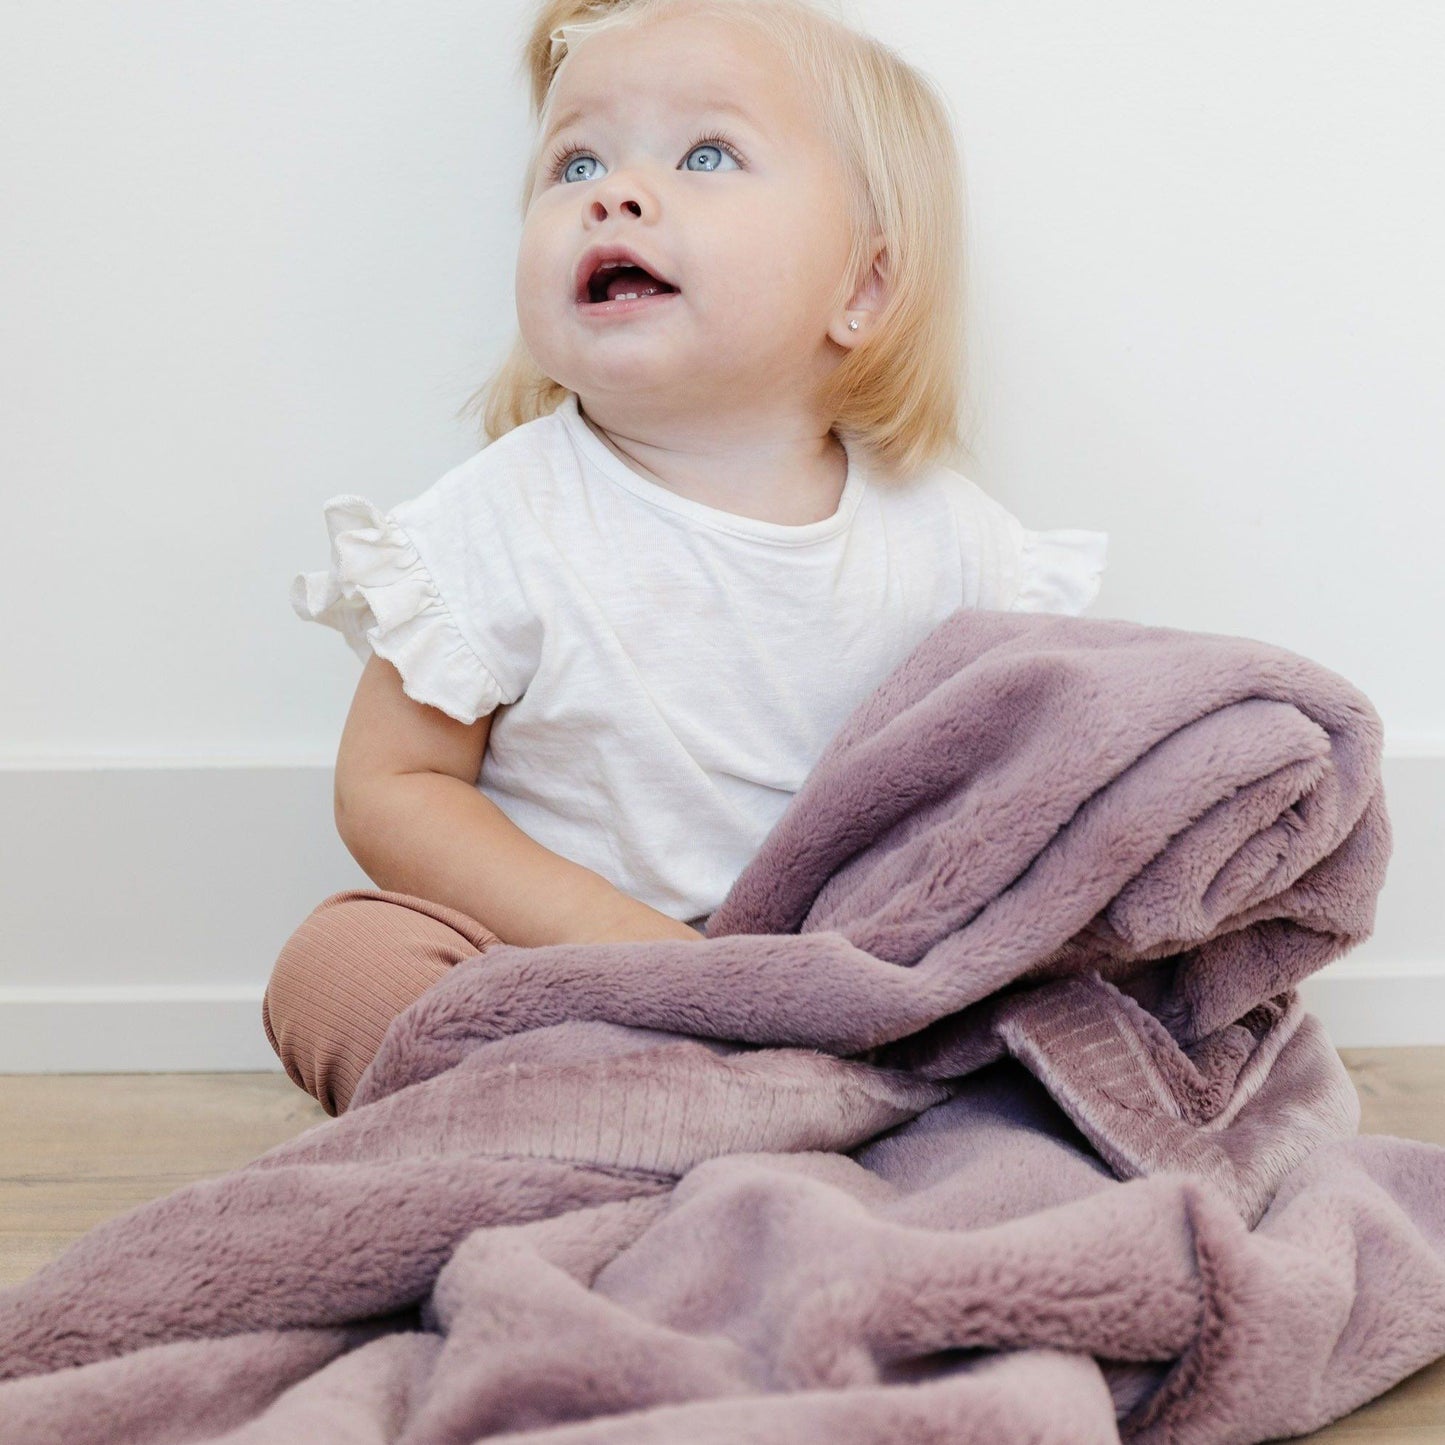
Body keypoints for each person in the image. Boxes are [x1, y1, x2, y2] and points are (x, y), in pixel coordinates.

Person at [263, 0, 1109, 1116]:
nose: (610, 193)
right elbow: (394, 785)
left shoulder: (953, 544)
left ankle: (801, 1113)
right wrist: (641, 953)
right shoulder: (501, 518)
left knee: (1091, 966)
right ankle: (636, 1122)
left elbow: (1018, 780)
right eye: (574, 161)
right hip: (565, 980)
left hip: (831, 986)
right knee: (340, 962)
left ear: (860, 286)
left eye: (706, 153)